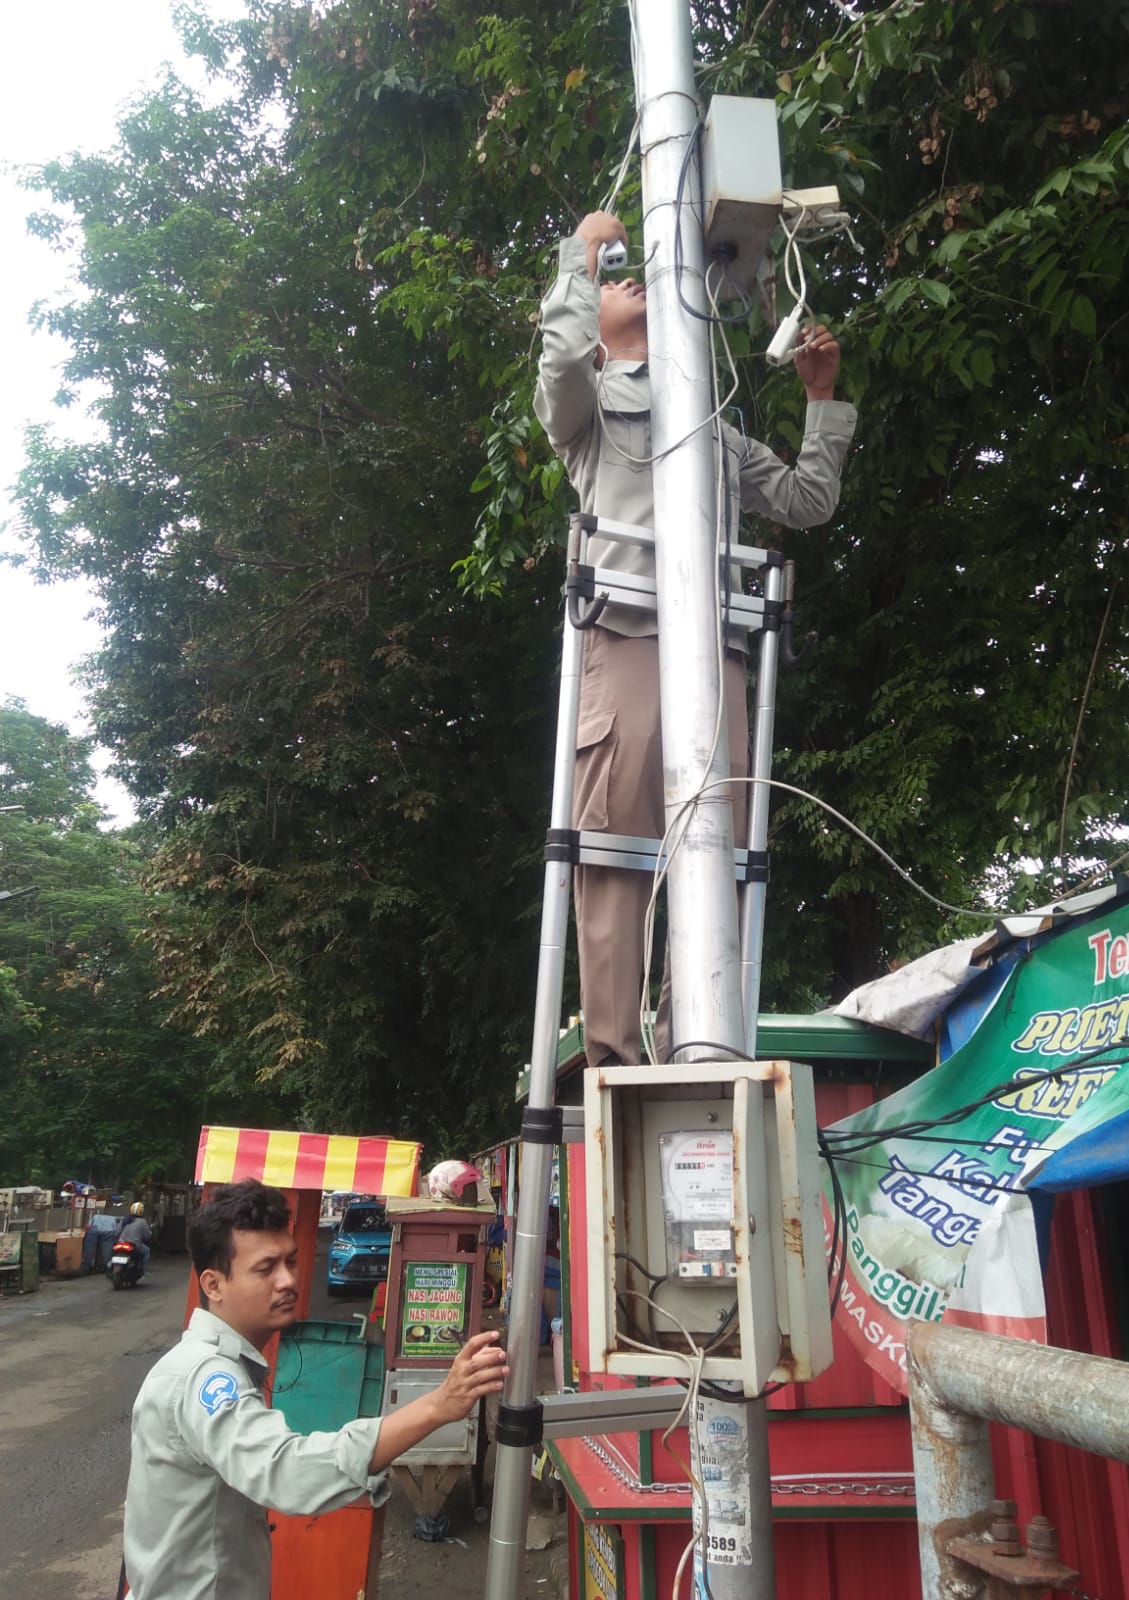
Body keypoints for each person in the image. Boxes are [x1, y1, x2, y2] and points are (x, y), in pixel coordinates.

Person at [534, 208, 858, 1068]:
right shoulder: (590, 406)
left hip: (717, 652)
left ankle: (701, 1045)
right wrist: (582, 246)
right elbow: (560, 355)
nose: (625, 282)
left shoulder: (710, 420)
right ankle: (614, 1058)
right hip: (632, 638)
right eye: (612, 286)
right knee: (615, 850)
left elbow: (804, 501)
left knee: (720, 855)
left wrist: (821, 401)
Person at [122, 1178, 507, 1600]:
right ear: (213, 1285)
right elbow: (287, 1473)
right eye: (266, 1269)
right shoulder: (205, 1378)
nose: (288, 1280)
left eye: (291, 1261)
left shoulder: (218, 1364)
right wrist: (438, 1405)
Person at [119, 1202, 154, 1272]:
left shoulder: (125, 1219)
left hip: (121, 1243)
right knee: (147, 1251)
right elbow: (147, 1236)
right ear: (141, 1211)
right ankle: (142, 1270)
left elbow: (117, 1231)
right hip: (134, 1245)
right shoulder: (142, 1221)